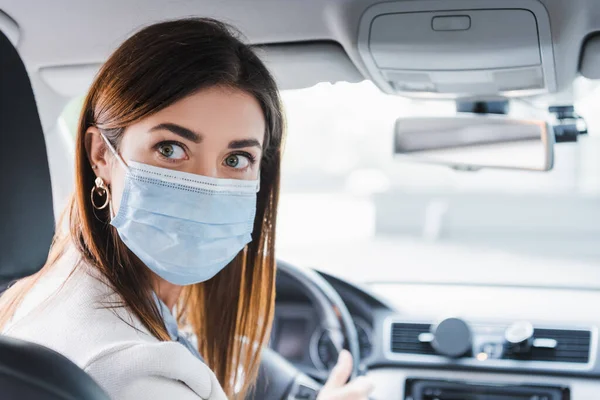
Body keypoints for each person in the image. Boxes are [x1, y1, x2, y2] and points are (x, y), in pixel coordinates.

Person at [0, 18, 373, 400]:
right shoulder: (136, 372)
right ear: (101, 156)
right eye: (170, 149)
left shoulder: (54, 285)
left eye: (237, 159)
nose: (207, 190)